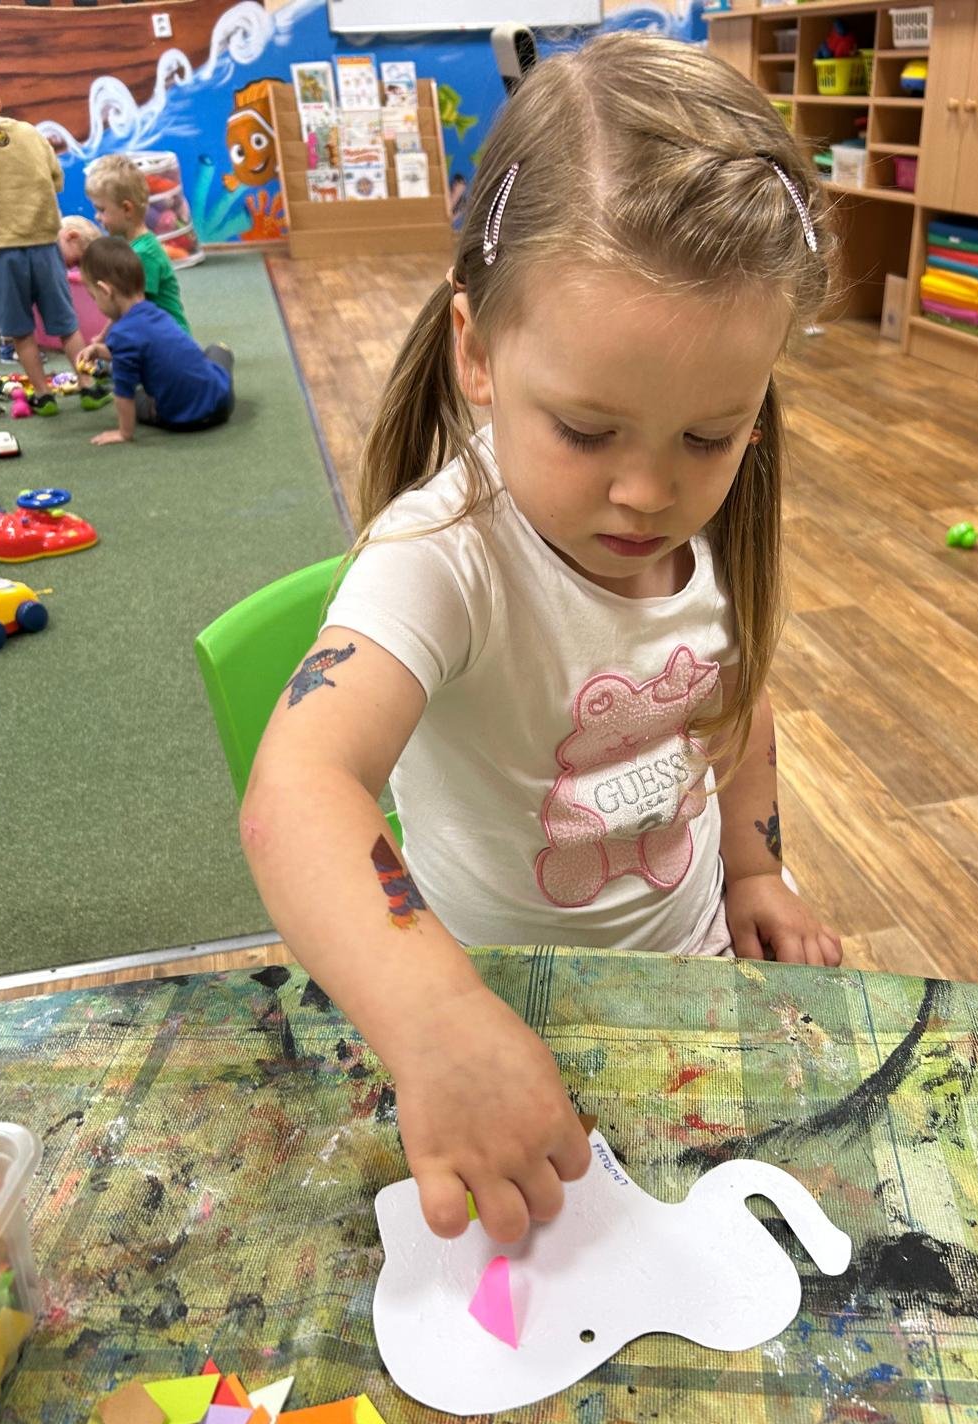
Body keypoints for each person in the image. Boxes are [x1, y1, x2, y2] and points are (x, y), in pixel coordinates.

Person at [240, 33, 842, 1248]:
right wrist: (437, 1019)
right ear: (477, 351)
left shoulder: (712, 524)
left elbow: (734, 701)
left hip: (691, 976)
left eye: (709, 436)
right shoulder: (440, 556)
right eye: (584, 430)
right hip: (493, 1013)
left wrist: (753, 870)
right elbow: (297, 788)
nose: (647, 494)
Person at [0, 72, 97, 412]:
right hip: (45, 244)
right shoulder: (31, 133)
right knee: (66, 323)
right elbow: (56, 180)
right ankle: (88, 386)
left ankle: (43, 395)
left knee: (20, 331)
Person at [78, 237, 233, 445]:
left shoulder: (121, 333)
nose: (96, 303)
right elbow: (139, 352)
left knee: (139, 397)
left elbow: (124, 394)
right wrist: (100, 351)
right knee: (215, 352)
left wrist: (124, 433)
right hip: (222, 403)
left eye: (93, 297)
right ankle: (223, 350)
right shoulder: (157, 312)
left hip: (186, 418)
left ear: (105, 291)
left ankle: (140, 421)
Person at [84, 154, 191, 333]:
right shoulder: (126, 245)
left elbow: (132, 310)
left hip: (167, 339)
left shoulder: (143, 255)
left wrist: (106, 340)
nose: (97, 217)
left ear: (127, 208)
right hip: (150, 331)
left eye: (101, 210)